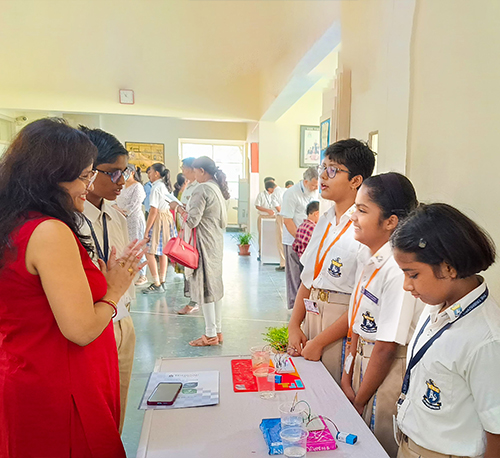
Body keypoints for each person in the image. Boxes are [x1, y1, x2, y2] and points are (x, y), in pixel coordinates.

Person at [0, 118, 144, 457]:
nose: (87, 186)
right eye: (83, 177)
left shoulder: (16, 223)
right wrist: (114, 290)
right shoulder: (49, 231)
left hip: (34, 371)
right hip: (60, 384)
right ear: (51, 177)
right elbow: (80, 329)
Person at [392, 204, 500, 458]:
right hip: (411, 445)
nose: (406, 285)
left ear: (449, 268)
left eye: (413, 274)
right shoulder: (436, 305)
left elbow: (496, 431)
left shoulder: (487, 340)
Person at [340, 173, 421, 457]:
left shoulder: (397, 269)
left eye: (362, 210)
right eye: (356, 208)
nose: (353, 216)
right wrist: (347, 376)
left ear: (390, 221)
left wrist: (359, 399)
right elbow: (357, 323)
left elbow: (387, 346)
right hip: (362, 365)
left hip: (385, 372)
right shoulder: (369, 257)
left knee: (377, 444)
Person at [288, 139, 376, 383]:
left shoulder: (364, 226)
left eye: (333, 170)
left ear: (356, 181)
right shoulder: (325, 220)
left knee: (332, 390)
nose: (323, 176)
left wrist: (320, 342)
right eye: (323, 168)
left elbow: (361, 300)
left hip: (340, 322)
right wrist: (294, 325)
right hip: (312, 312)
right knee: (309, 387)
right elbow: (308, 277)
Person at [79, 127, 139, 434]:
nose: (122, 181)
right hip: (93, 324)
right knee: (94, 415)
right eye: (113, 173)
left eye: (124, 172)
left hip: (122, 319)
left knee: (118, 407)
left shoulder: (116, 217)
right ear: (88, 171)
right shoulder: (68, 222)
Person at [172, 156, 229, 346]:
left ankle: (210, 334)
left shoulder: (202, 189)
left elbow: (191, 220)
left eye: (195, 170)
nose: (193, 174)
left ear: (202, 171)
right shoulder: (216, 188)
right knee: (215, 288)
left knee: (206, 289)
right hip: (215, 242)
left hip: (203, 244)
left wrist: (178, 208)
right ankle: (217, 331)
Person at [281, 166, 319, 309]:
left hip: (309, 242)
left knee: (307, 276)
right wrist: (301, 239)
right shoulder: (291, 194)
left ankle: (305, 308)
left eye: (317, 185)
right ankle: (295, 308)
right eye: (313, 185)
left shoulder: (313, 193)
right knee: (294, 276)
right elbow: (287, 220)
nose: (316, 188)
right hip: (294, 241)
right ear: (305, 182)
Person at [142, 163, 179, 293]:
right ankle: (162, 281)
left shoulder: (156, 187)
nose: (149, 175)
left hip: (159, 219)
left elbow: (153, 211)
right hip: (167, 217)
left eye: (150, 172)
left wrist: (146, 230)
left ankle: (156, 282)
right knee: (163, 250)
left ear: (157, 173)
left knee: (149, 251)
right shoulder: (164, 185)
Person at [174, 157, 200, 315]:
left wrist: (178, 208)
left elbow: (192, 213)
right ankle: (193, 298)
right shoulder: (189, 185)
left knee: (193, 266)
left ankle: (194, 301)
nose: (182, 170)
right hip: (185, 231)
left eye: (184, 167)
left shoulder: (199, 187)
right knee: (187, 266)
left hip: (194, 233)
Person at [115, 165, 148, 286]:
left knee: (136, 244)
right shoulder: (122, 185)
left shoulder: (137, 187)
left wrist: (121, 211)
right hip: (121, 218)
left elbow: (134, 205)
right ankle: (126, 270)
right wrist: (116, 208)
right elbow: (115, 200)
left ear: (132, 173)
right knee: (124, 244)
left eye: (125, 172)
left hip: (134, 219)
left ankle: (142, 274)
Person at [255, 180, 277, 260]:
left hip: (273, 217)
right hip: (263, 217)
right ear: (269, 188)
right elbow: (257, 206)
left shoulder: (275, 195)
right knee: (262, 236)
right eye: (273, 188)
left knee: (273, 236)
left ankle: (271, 254)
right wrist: (267, 210)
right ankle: (261, 253)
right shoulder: (261, 194)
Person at [271, 182, 287, 271]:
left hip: (281, 217)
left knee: (280, 239)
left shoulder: (274, 195)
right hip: (290, 217)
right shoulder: (286, 190)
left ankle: (283, 264)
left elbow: (278, 208)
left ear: (270, 189)